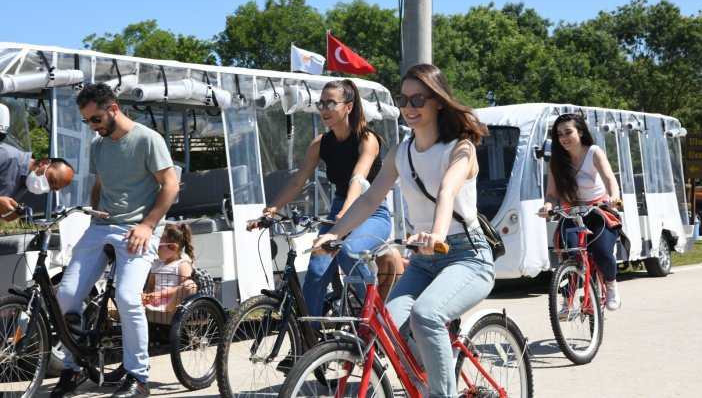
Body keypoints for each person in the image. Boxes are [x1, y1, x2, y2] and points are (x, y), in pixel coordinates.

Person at [314, 64, 495, 397]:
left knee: (426, 315)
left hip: (468, 257)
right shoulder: (401, 152)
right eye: (403, 100)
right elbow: (369, 199)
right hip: (424, 262)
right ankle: (431, 380)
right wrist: (335, 233)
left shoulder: (461, 147)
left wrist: (436, 234)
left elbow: (447, 191)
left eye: (418, 100)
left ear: (438, 101)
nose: (409, 108)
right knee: (388, 326)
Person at [52, 83, 179, 398]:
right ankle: (75, 367)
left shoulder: (148, 140)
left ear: (113, 109)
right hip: (101, 227)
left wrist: (148, 225)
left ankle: (139, 377)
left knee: (125, 297)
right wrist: (94, 217)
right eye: (86, 122)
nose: (91, 127)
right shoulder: (99, 144)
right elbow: (99, 185)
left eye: (95, 119)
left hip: (138, 228)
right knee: (66, 295)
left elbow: (171, 186)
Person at [247, 78, 394, 318]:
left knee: (347, 251)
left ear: (348, 106)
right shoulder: (320, 144)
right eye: (321, 103)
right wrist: (270, 210)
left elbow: (358, 178)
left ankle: (375, 318)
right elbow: (297, 181)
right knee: (315, 272)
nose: (324, 109)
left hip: (372, 211)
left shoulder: (367, 139)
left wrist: (346, 211)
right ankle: (309, 344)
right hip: (339, 209)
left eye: (330, 103)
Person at [538, 113, 622, 311]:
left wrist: (613, 197)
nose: (564, 138)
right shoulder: (556, 162)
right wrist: (547, 207)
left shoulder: (594, 152)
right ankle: (567, 300)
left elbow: (610, 179)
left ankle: (611, 285)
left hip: (599, 211)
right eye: (559, 134)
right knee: (571, 257)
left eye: (568, 132)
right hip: (572, 213)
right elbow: (551, 194)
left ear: (581, 132)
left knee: (602, 252)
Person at [142, 222, 197, 314]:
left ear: (173, 247)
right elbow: (150, 287)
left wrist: (159, 294)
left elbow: (182, 290)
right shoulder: (157, 264)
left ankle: (167, 313)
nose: (155, 250)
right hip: (153, 304)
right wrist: (147, 296)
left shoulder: (182, 264)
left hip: (172, 306)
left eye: (158, 247)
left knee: (190, 285)